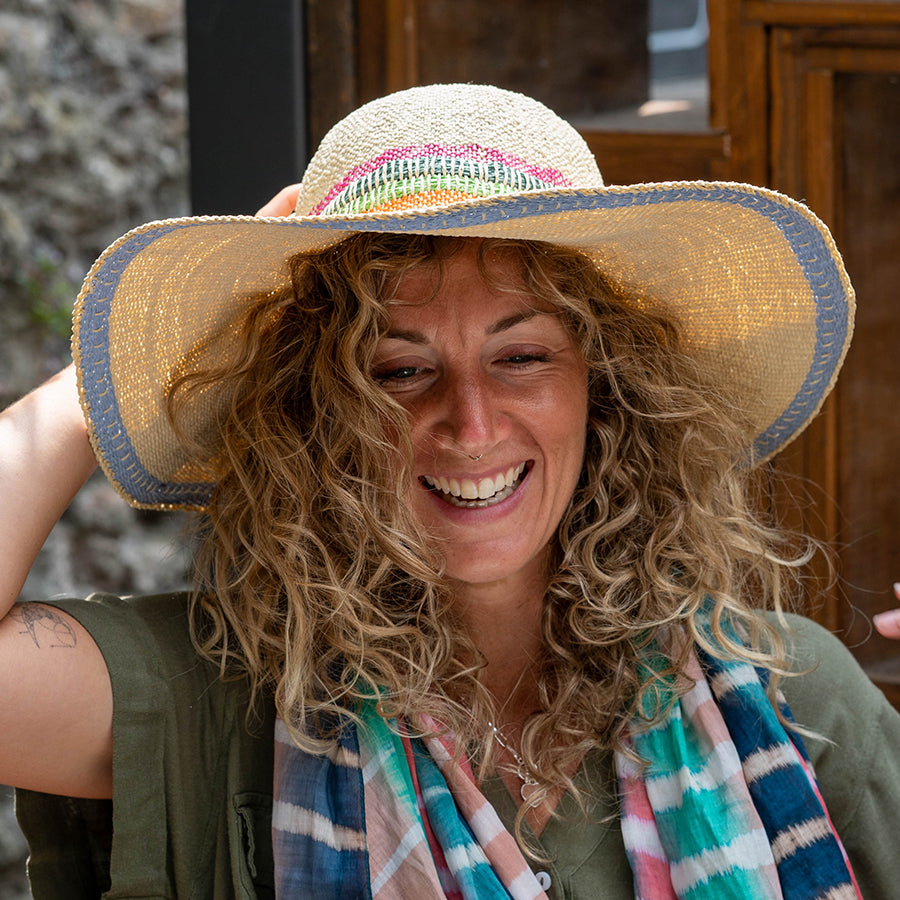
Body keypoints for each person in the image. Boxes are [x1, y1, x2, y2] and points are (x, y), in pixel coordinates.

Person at [1, 83, 898, 900]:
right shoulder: (215, 698)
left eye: (522, 357)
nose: (471, 425)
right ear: (314, 411)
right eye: (397, 370)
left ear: (609, 385)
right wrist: (104, 389)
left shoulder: (797, 697)